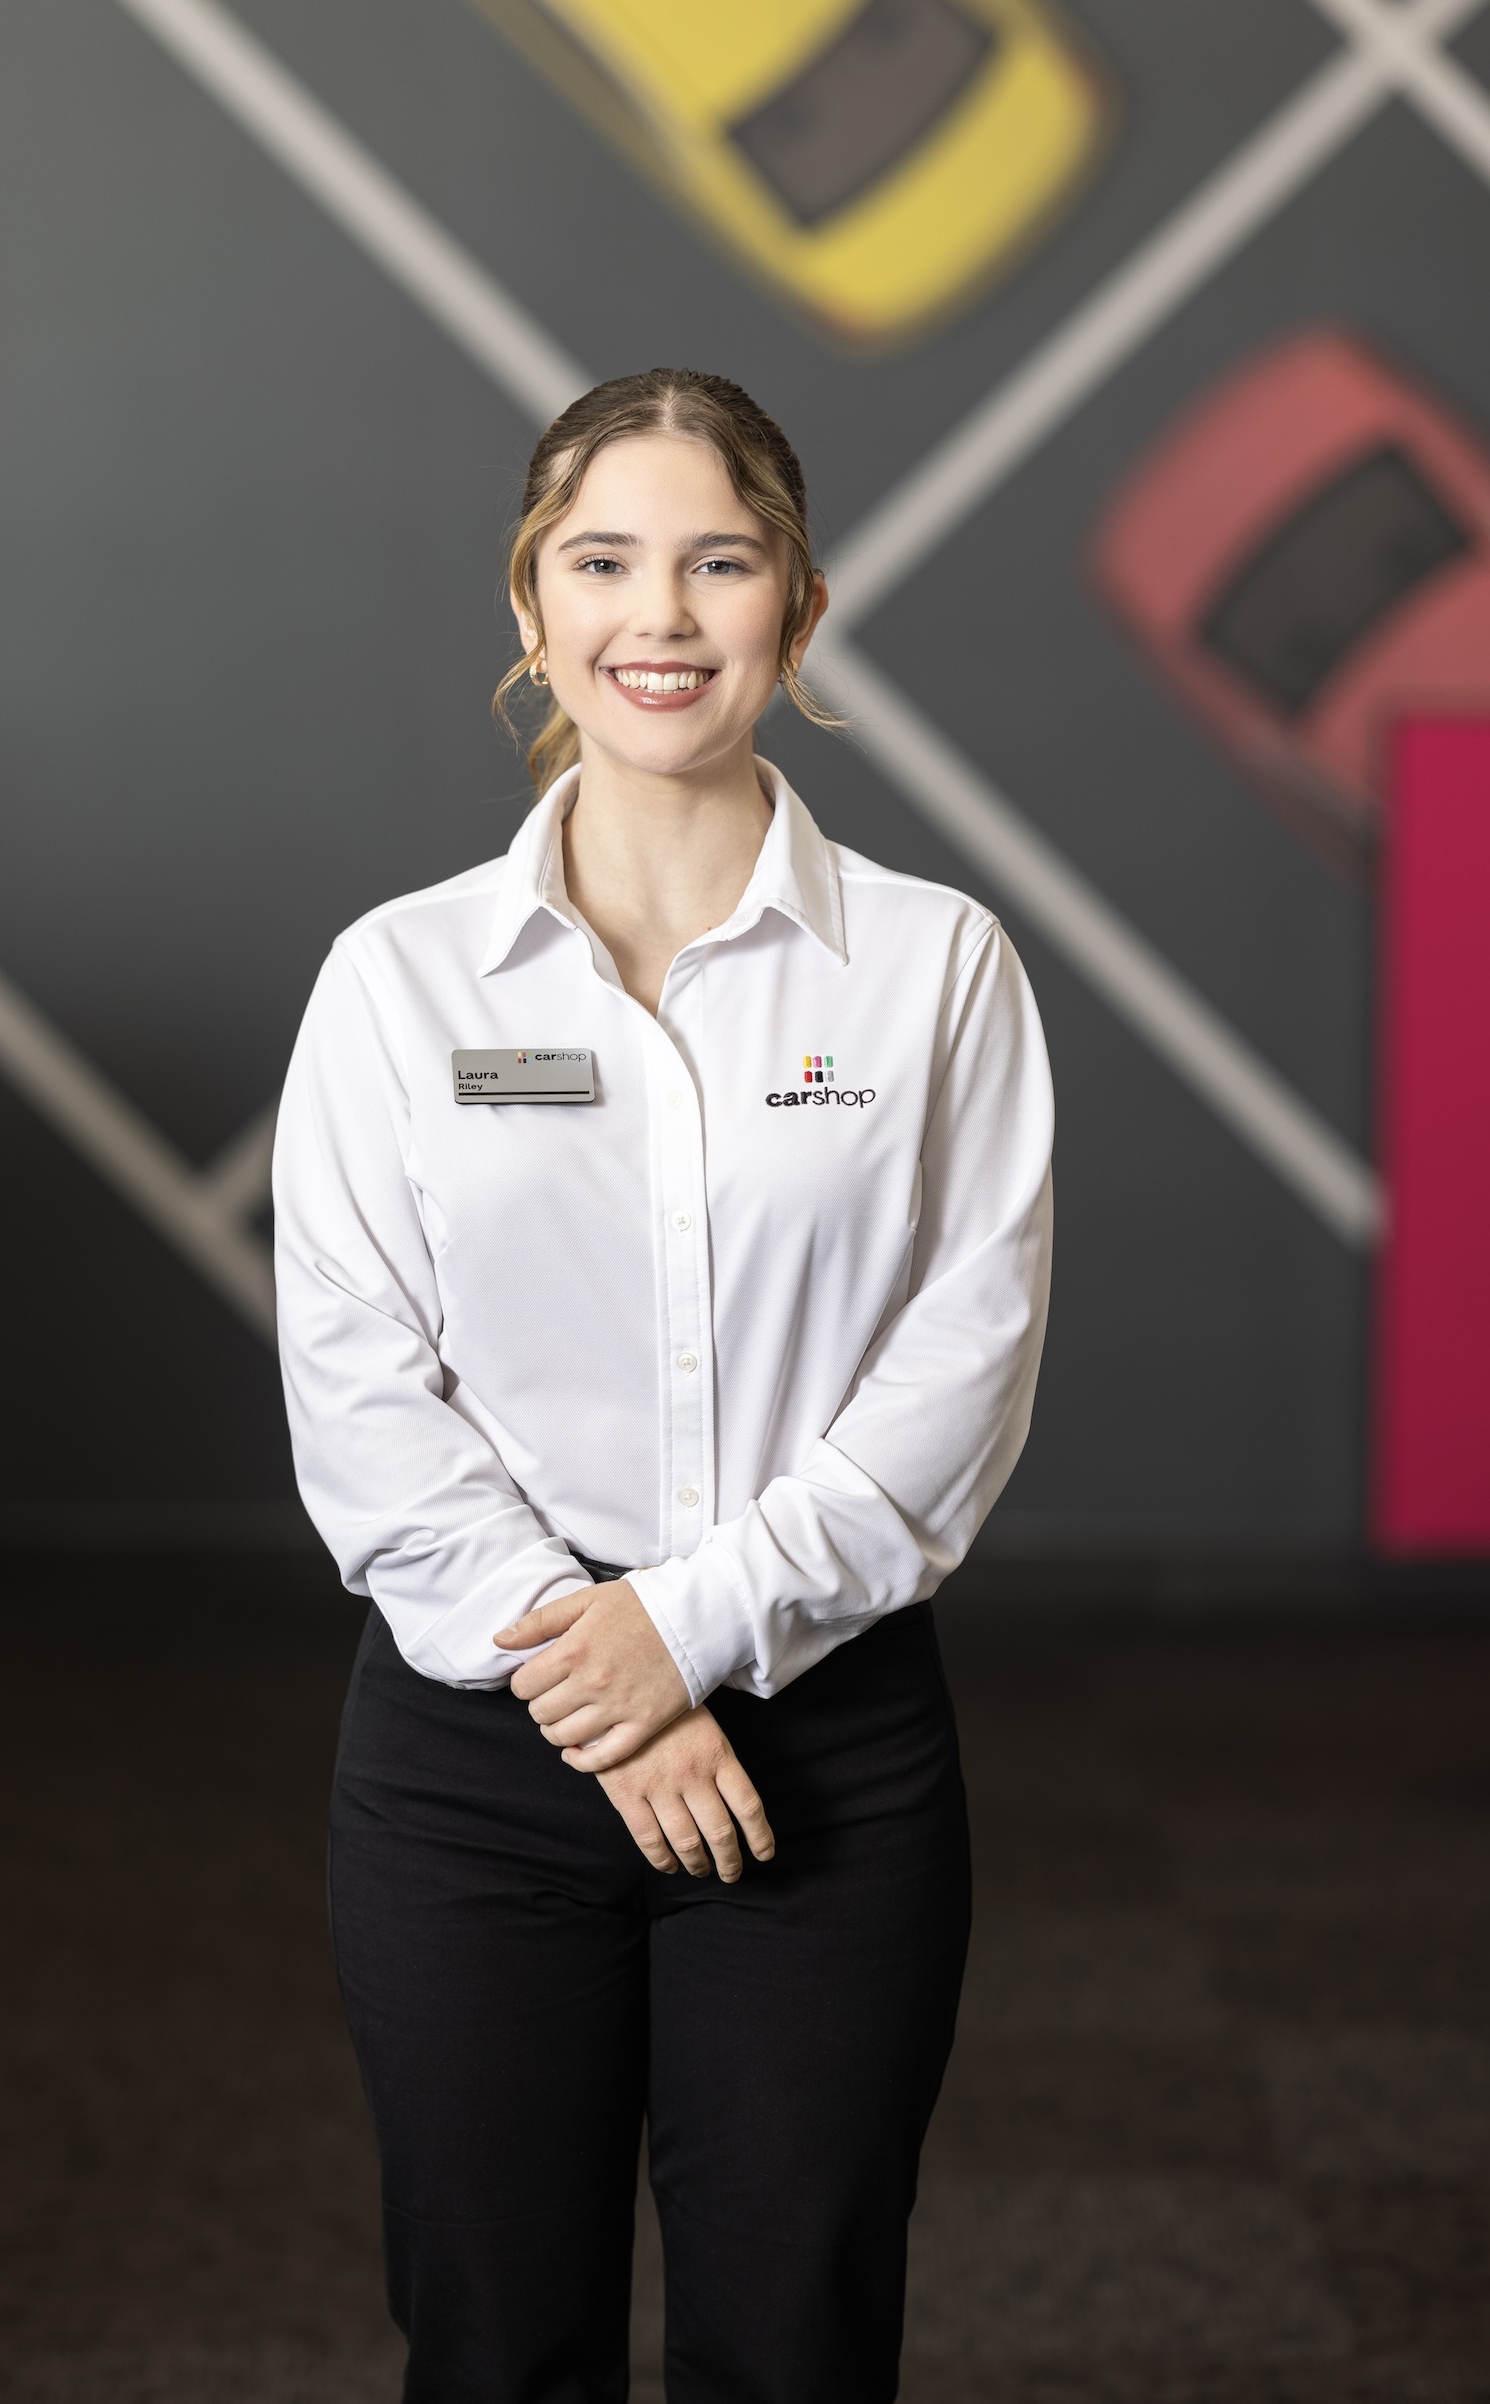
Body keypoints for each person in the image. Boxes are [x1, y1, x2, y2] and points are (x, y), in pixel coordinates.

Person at [273, 368, 1053, 2404]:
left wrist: (685, 1634)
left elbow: (956, 1379)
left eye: (722, 561)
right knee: (494, 2346)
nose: (663, 614)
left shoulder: (935, 968)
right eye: (604, 561)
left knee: (797, 2345)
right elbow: (362, 1389)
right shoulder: (401, 982)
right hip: (472, 1765)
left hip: (831, 1745)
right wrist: (598, 1681)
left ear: (799, 613)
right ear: (532, 611)